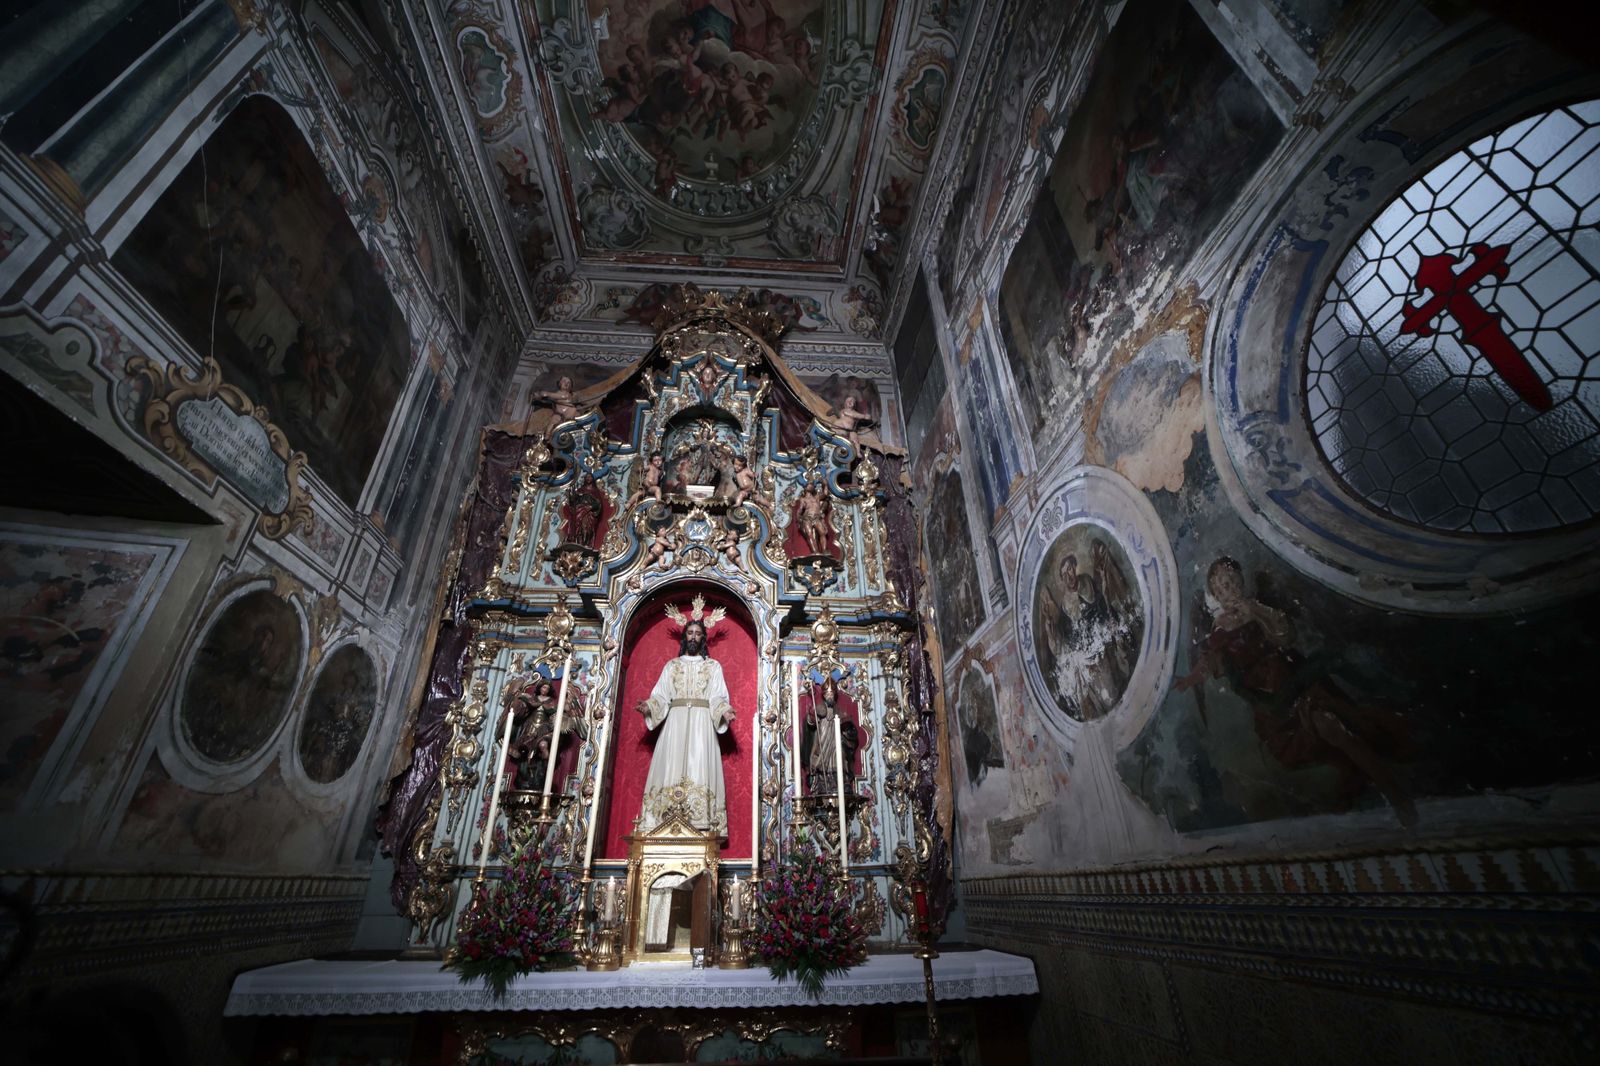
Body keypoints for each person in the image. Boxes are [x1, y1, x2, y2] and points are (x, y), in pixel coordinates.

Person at [1175, 557, 1417, 825]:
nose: (1229, 588)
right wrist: (1188, 681)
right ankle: (1359, 779)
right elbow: (1210, 663)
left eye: (1232, 581)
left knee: (1331, 725)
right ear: (1216, 594)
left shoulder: (1256, 608)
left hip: (1292, 680)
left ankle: (1394, 793)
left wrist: (1256, 612)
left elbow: (1284, 637)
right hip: (1270, 702)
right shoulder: (1218, 629)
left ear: (1241, 582)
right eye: (1222, 586)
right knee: (1325, 740)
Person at [636, 619, 735, 836]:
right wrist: (649, 707)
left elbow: (717, 695)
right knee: (670, 764)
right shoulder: (672, 666)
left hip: (702, 724)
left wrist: (723, 711)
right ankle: (663, 820)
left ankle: (701, 822)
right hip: (675, 723)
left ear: (703, 638)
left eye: (697, 633)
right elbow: (661, 695)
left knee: (699, 764)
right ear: (684, 636)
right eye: (689, 632)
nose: (693, 637)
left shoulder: (712, 666)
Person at [801, 676, 859, 798]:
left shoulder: (839, 710)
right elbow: (811, 723)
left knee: (840, 757)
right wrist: (812, 717)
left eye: (832, 695)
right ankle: (821, 783)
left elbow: (847, 724)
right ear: (824, 696)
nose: (830, 697)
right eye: (828, 695)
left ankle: (839, 782)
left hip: (836, 740)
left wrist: (846, 730)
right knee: (820, 760)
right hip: (822, 738)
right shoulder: (819, 708)